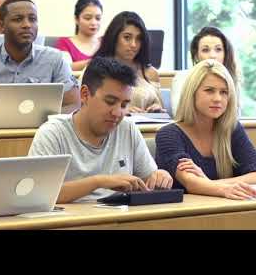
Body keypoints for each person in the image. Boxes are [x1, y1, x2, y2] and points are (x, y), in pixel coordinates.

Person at [28, 56, 173, 203]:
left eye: (124, 105)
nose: (117, 113)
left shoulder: (127, 128)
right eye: (110, 102)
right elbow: (39, 194)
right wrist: (98, 182)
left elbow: (149, 177)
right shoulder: (52, 133)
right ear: (84, 94)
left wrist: (159, 176)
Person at [155, 59, 256, 200]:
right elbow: (192, 183)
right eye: (209, 91)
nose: (218, 99)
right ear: (192, 93)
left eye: (224, 92)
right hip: (186, 215)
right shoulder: (169, 135)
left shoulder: (232, 129)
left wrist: (209, 183)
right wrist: (218, 187)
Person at [0, 0, 80, 127]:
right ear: (2, 25)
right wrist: (1, 119)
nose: (27, 25)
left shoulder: (55, 59)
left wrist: (35, 118)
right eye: (18, 19)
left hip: (44, 135)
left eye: (32, 19)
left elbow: (74, 106)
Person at [92, 11, 165, 113]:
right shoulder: (96, 69)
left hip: (148, 127)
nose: (134, 44)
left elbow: (162, 111)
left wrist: (156, 108)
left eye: (139, 39)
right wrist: (121, 110)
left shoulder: (151, 73)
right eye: (127, 37)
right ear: (114, 37)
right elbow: (88, 108)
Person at [171, 26, 239, 116]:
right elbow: (179, 113)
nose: (212, 55)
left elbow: (235, 116)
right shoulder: (182, 78)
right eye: (205, 50)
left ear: (225, 55)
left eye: (218, 49)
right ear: (196, 55)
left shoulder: (231, 78)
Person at [55, 0, 103, 71]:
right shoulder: (64, 42)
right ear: (76, 19)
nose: (94, 23)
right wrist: (96, 62)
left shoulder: (106, 42)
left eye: (98, 18)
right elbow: (65, 67)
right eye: (88, 18)